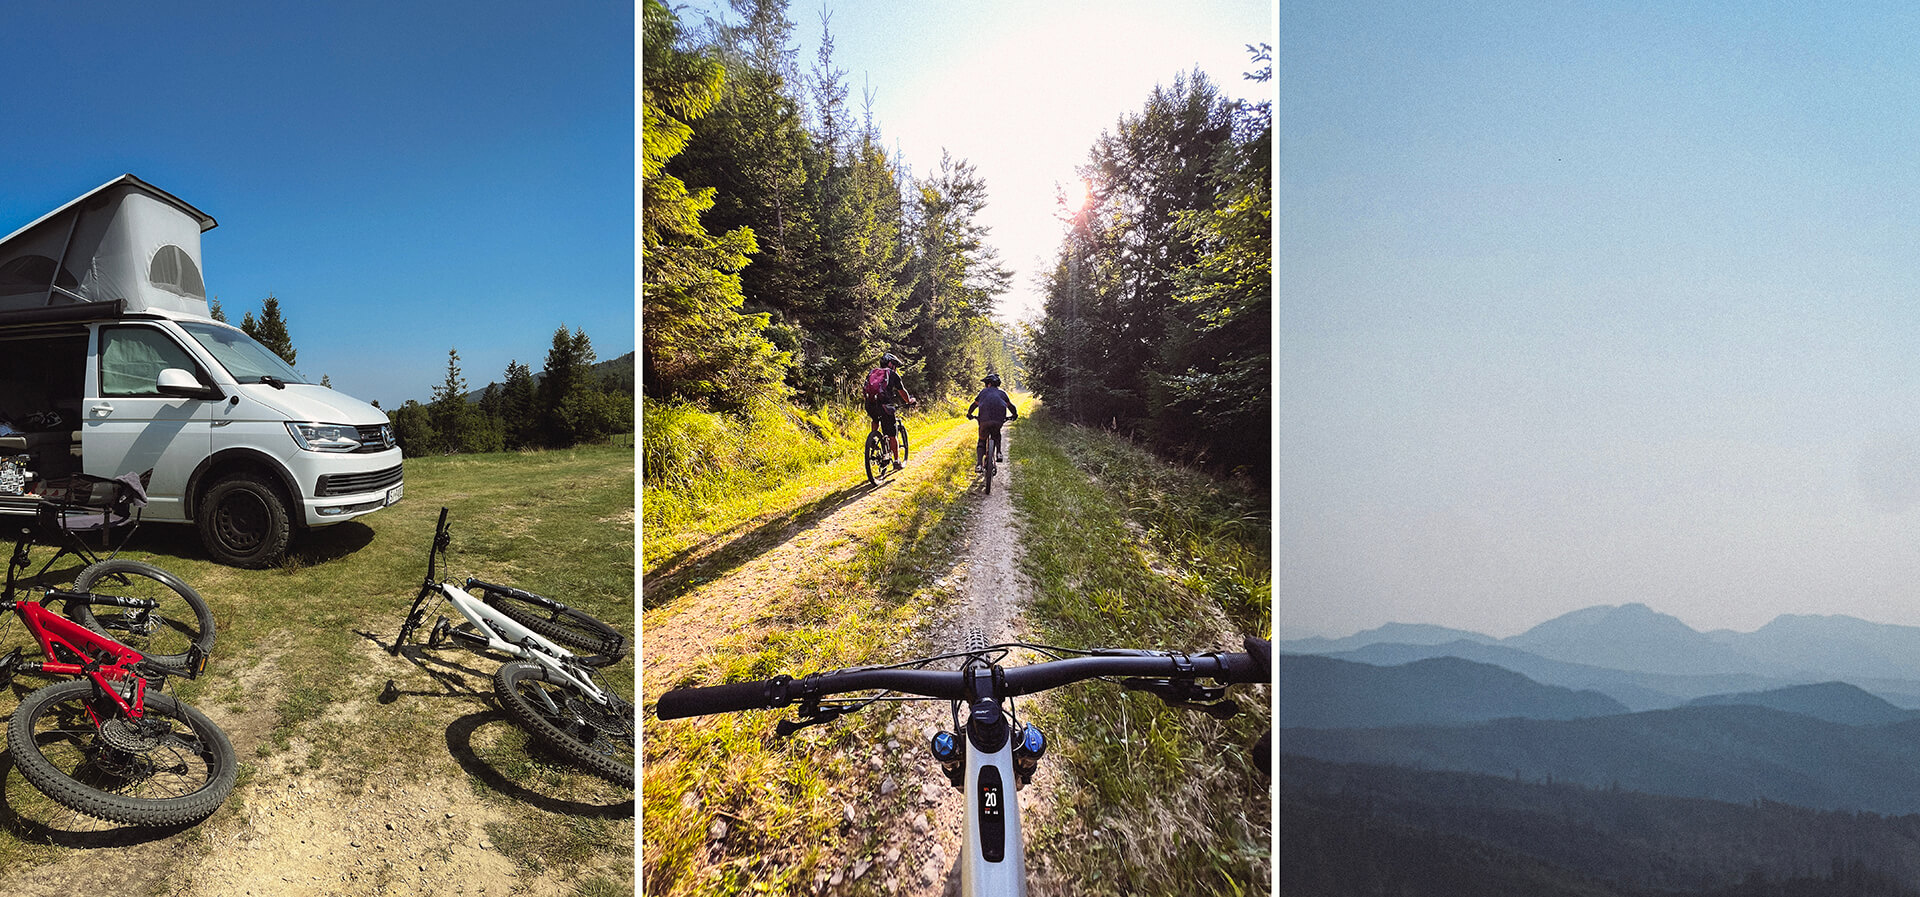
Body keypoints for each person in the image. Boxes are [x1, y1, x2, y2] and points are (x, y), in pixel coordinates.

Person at [863, 352, 916, 469]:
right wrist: (909, 401)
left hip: (870, 405)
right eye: (895, 365)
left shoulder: (872, 372)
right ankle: (897, 461)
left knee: (875, 419)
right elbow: (902, 392)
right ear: (891, 364)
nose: (896, 368)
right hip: (885, 407)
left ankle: (873, 438)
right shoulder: (892, 374)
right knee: (892, 434)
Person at [966, 373, 1017, 470]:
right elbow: (1011, 407)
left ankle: (979, 464)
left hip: (984, 421)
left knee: (981, 440)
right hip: (998, 420)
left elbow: (974, 405)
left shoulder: (983, 392)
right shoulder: (1002, 393)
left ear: (988, 384)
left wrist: (969, 414)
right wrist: (1014, 415)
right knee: (996, 433)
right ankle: (998, 453)